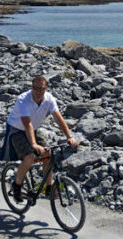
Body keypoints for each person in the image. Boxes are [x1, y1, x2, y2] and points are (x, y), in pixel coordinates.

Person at [5, 75, 78, 205]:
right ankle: (16, 186)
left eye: (41, 88)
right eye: (35, 88)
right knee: (29, 157)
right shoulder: (23, 100)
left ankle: (48, 188)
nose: (38, 91)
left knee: (48, 155)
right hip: (16, 129)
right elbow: (27, 124)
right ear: (31, 87)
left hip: (33, 129)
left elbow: (58, 118)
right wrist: (33, 144)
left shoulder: (49, 99)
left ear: (46, 88)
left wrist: (69, 136)